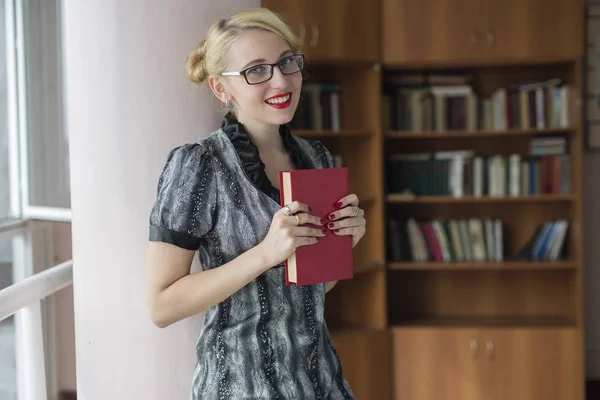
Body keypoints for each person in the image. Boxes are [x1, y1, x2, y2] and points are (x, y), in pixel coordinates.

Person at [146, 7, 366, 400]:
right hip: (240, 388)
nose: (280, 80)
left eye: (286, 62)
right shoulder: (199, 165)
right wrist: (266, 253)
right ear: (221, 88)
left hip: (321, 383)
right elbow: (162, 305)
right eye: (256, 70)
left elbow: (309, 291)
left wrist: (347, 240)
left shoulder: (316, 158)